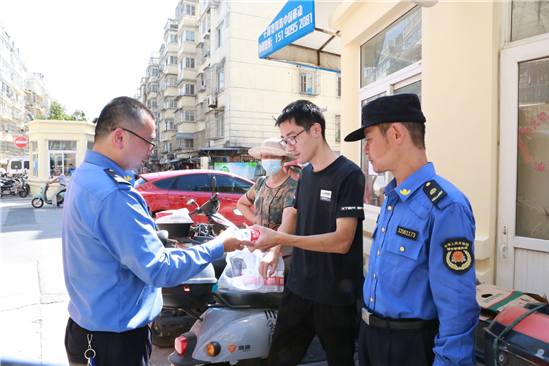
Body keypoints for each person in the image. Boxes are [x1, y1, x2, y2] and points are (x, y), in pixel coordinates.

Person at [61, 97, 246, 366]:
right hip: (113, 342)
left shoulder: (85, 175)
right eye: (148, 141)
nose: (151, 151)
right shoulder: (113, 193)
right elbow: (159, 270)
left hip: (90, 329)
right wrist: (219, 245)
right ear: (120, 136)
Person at [343, 93, 478, 366]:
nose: (366, 150)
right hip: (371, 338)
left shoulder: (445, 205)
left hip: (408, 348)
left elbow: (457, 306)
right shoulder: (393, 197)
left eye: (369, 140)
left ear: (395, 134)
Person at [249, 100, 365, 366]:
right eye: (285, 141)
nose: (289, 148)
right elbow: (294, 214)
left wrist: (279, 238)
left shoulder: (349, 175)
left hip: (335, 296)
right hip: (299, 287)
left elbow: (343, 240)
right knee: (278, 360)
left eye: (292, 138)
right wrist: (274, 253)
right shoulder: (307, 173)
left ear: (315, 130)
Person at [236, 138, 298, 275]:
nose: (269, 159)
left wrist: (274, 250)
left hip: (282, 251)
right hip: (259, 248)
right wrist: (258, 223)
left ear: (282, 159)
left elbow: (287, 222)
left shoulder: (292, 186)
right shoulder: (261, 182)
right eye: (265, 156)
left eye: (273, 156)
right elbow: (242, 204)